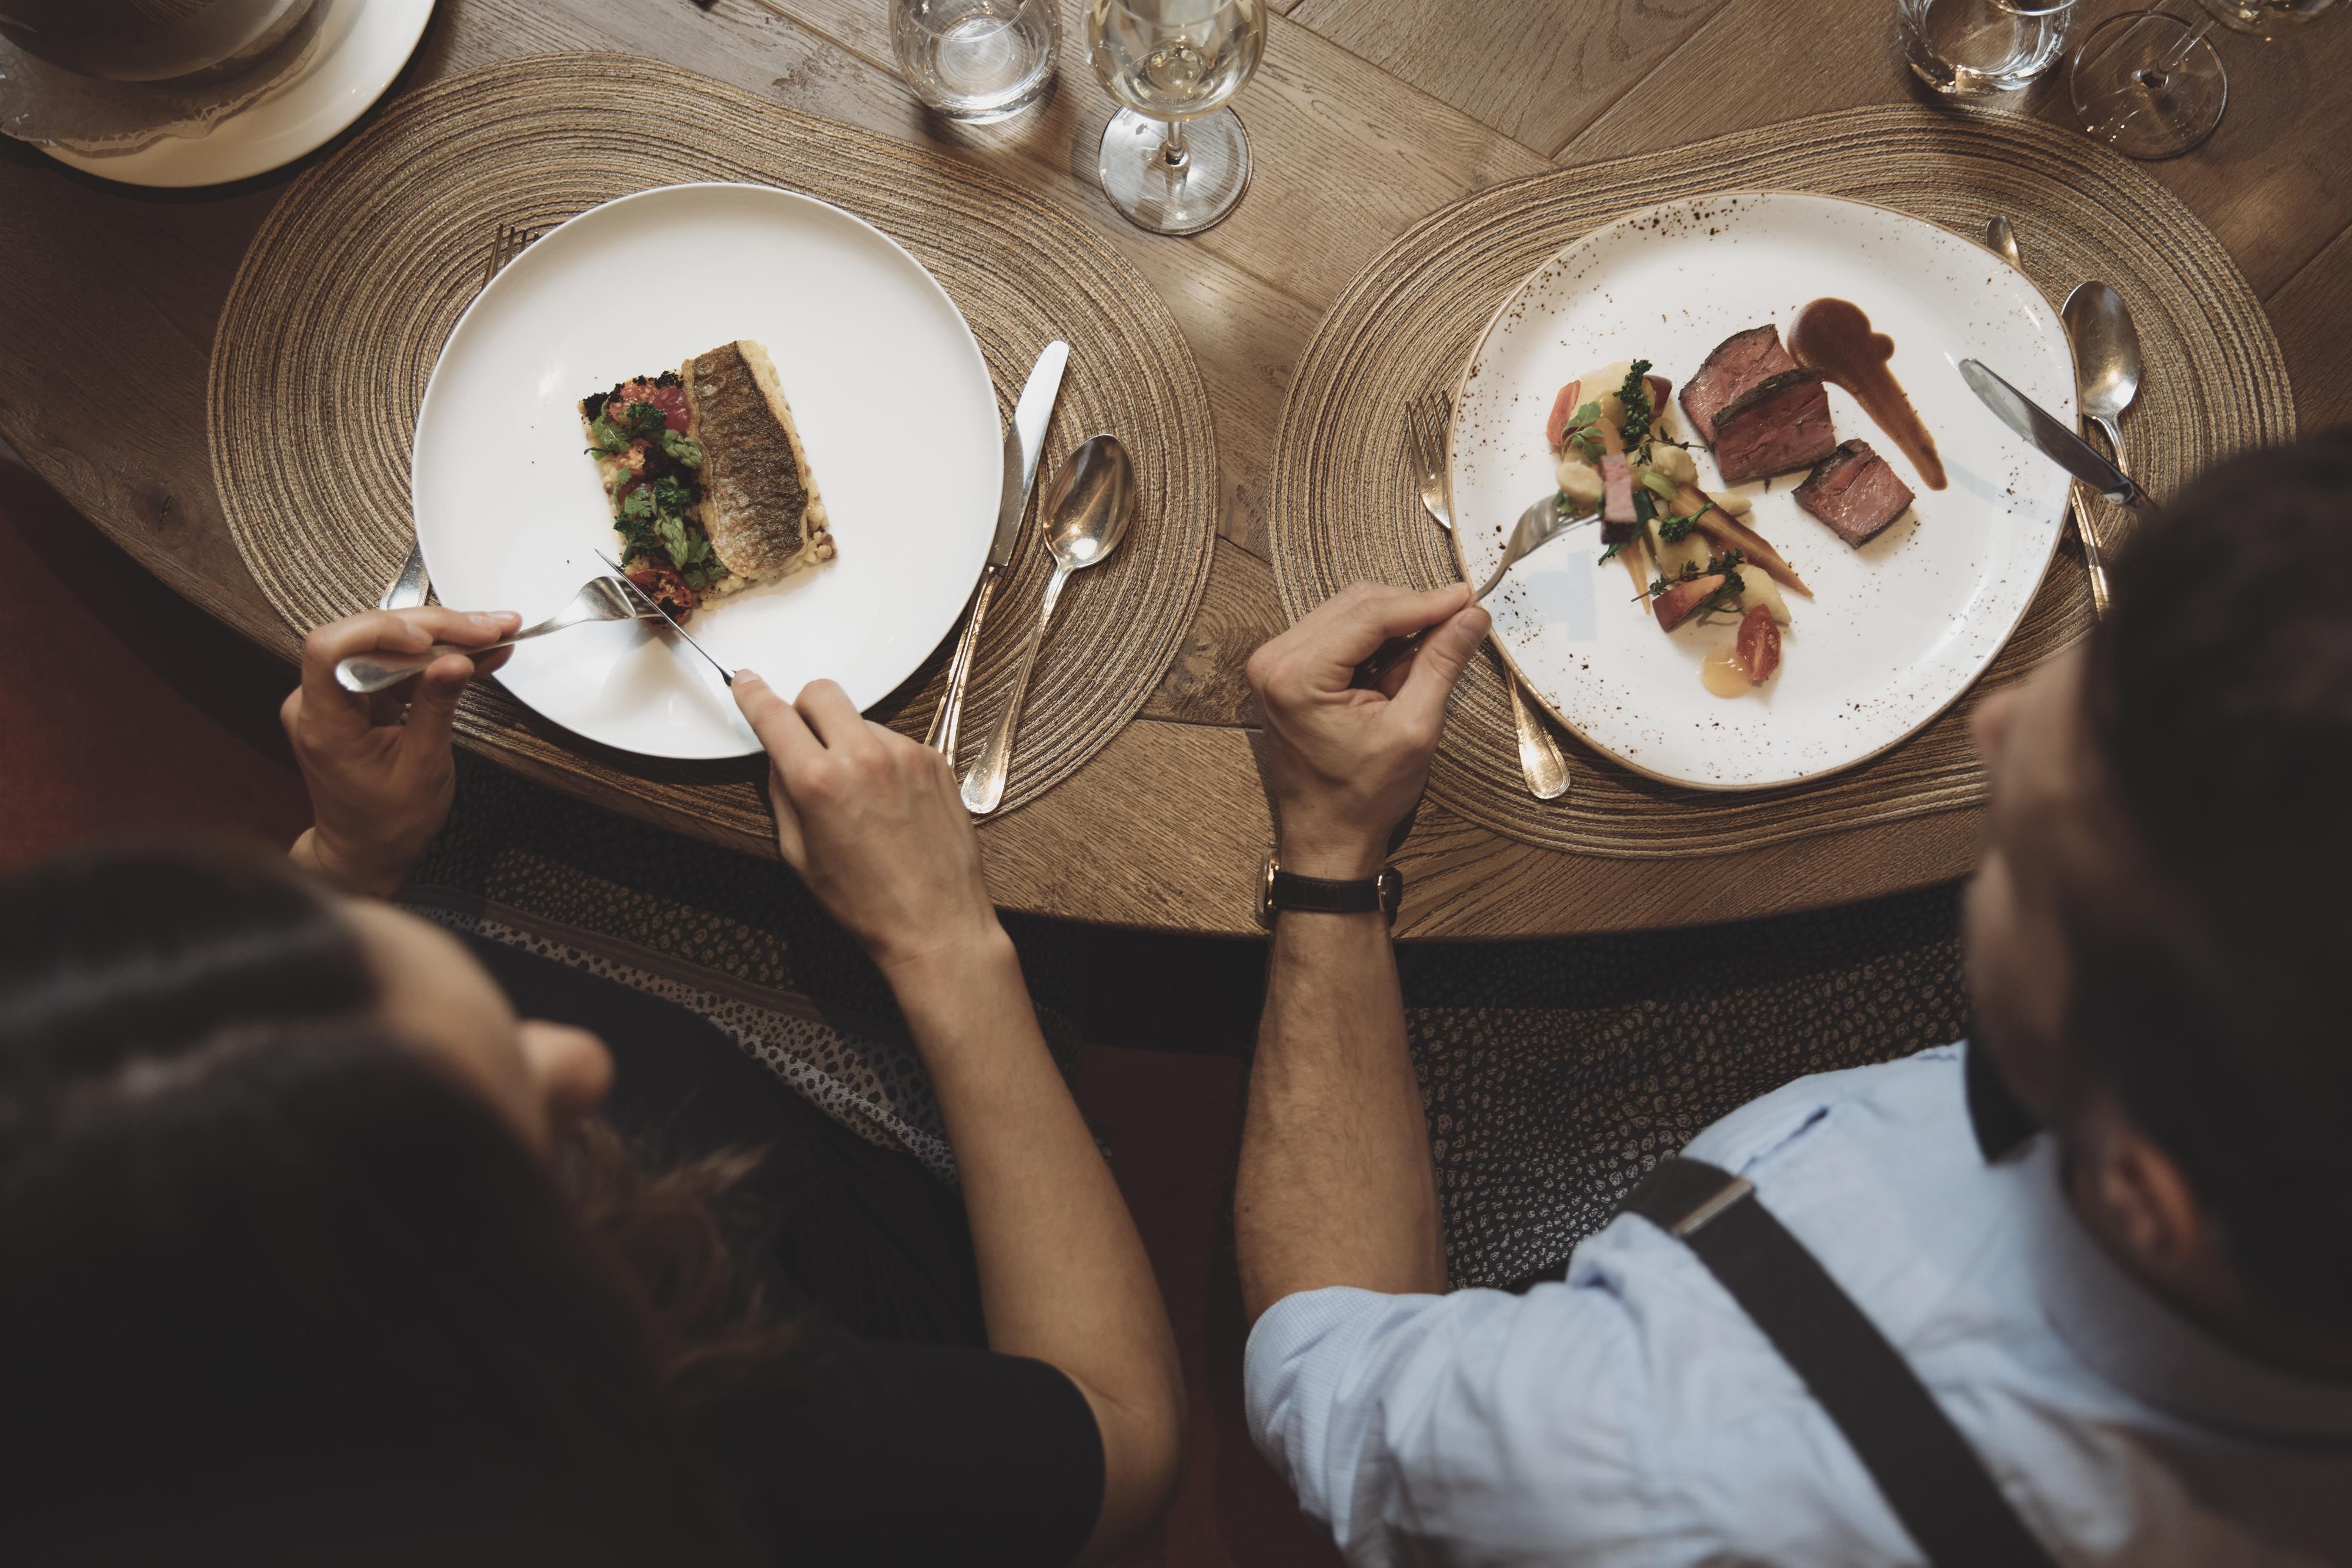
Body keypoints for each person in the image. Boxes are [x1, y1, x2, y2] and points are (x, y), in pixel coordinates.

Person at [1232, 434, 2352, 1564]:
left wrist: (1330, 843)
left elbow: (1326, 1377)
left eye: (2025, 850)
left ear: (2140, 1189)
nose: (1996, 733)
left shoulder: (1650, 1453)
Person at [0, 609, 1183, 1565]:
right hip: (864, 1213)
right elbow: (1123, 1446)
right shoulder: (707, 1418)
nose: (576, 1057)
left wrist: (349, 860)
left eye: (335, 968)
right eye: (517, 1127)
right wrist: (948, 942)